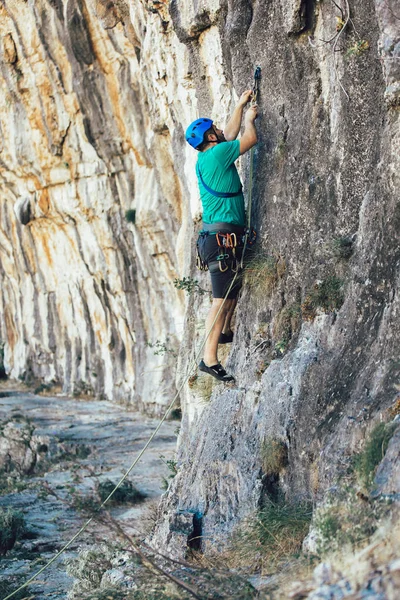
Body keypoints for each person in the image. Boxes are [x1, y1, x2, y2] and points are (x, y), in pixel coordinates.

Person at [185, 91, 258, 382]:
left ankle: (225, 332)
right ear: (210, 138)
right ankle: (209, 359)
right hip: (220, 240)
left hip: (219, 239)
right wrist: (250, 120)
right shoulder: (216, 154)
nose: (218, 130)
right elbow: (247, 139)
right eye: (213, 129)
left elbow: (228, 133)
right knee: (219, 300)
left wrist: (240, 105)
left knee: (229, 293)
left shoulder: (209, 155)